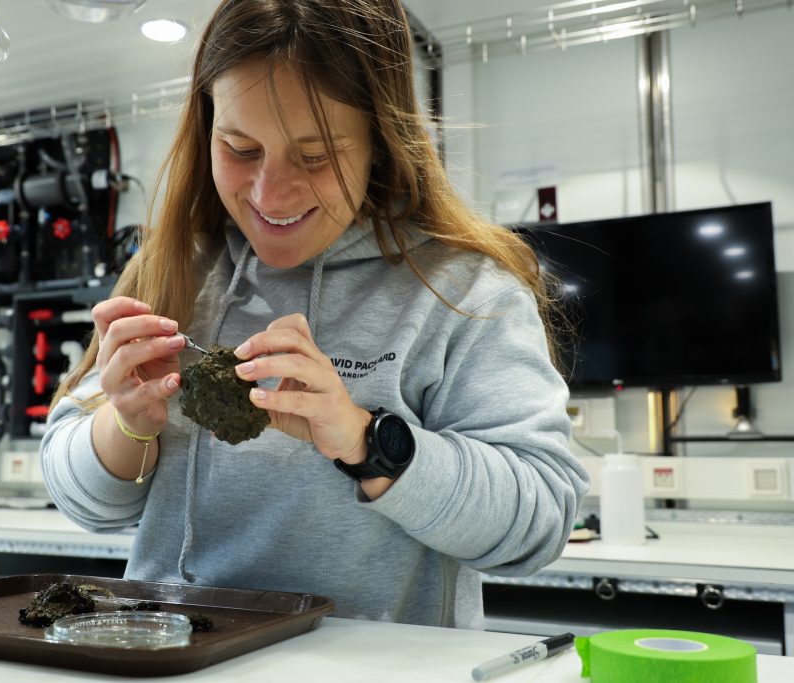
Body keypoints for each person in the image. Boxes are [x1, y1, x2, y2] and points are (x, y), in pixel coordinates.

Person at [42, 0, 589, 629]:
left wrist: (364, 441)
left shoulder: (461, 291)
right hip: (172, 659)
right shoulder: (173, 269)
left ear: (380, 144)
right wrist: (127, 423)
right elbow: (78, 496)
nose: (270, 195)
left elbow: (540, 522)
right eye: (241, 149)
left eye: (316, 155)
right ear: (206, 132)